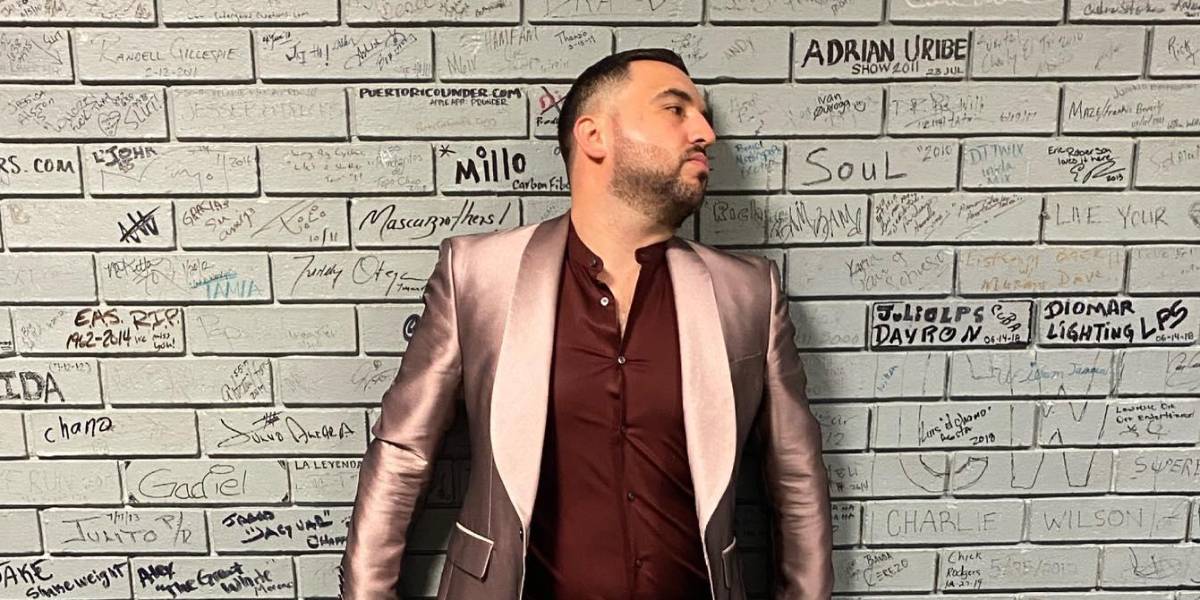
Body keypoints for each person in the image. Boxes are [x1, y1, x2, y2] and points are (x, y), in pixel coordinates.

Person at [339, 48, 833, 600]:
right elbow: (403, 455)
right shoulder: (477, 274)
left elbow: (796, 477)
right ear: (594, 136)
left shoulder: (750, 292)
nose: (704, 134)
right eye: (675, 109)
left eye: (703, 115)